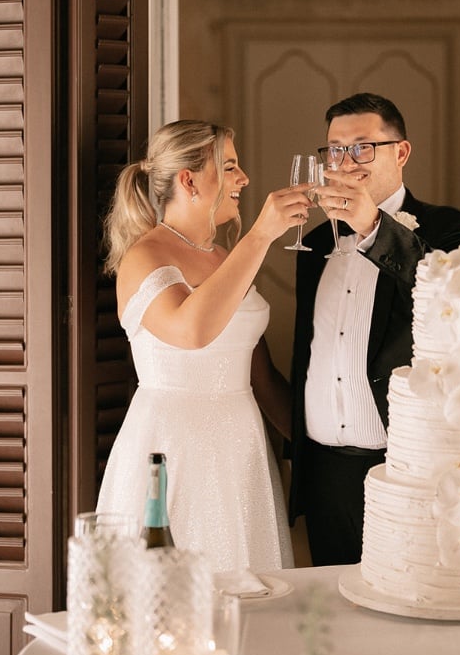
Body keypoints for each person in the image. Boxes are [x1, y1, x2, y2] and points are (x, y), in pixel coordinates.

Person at [96, 119, 311, 574]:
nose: (244, 179)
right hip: (176, 445)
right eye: (230, 167)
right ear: (189, 180)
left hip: (242, 445)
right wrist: (260, 236)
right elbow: (192, 333)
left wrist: (317, 452)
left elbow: (259, 374)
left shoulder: (222, 256)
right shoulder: (145, 256)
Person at [288, 93, 460, 565]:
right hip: (325, 475)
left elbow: (453, 297)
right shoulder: (316, 243)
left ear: (401, 152)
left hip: (408, 468)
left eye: (362, 147)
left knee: (410, 607)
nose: (345, 162)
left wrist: (373, 226)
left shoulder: (454, 229)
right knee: (335, 614)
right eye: (334, 150)